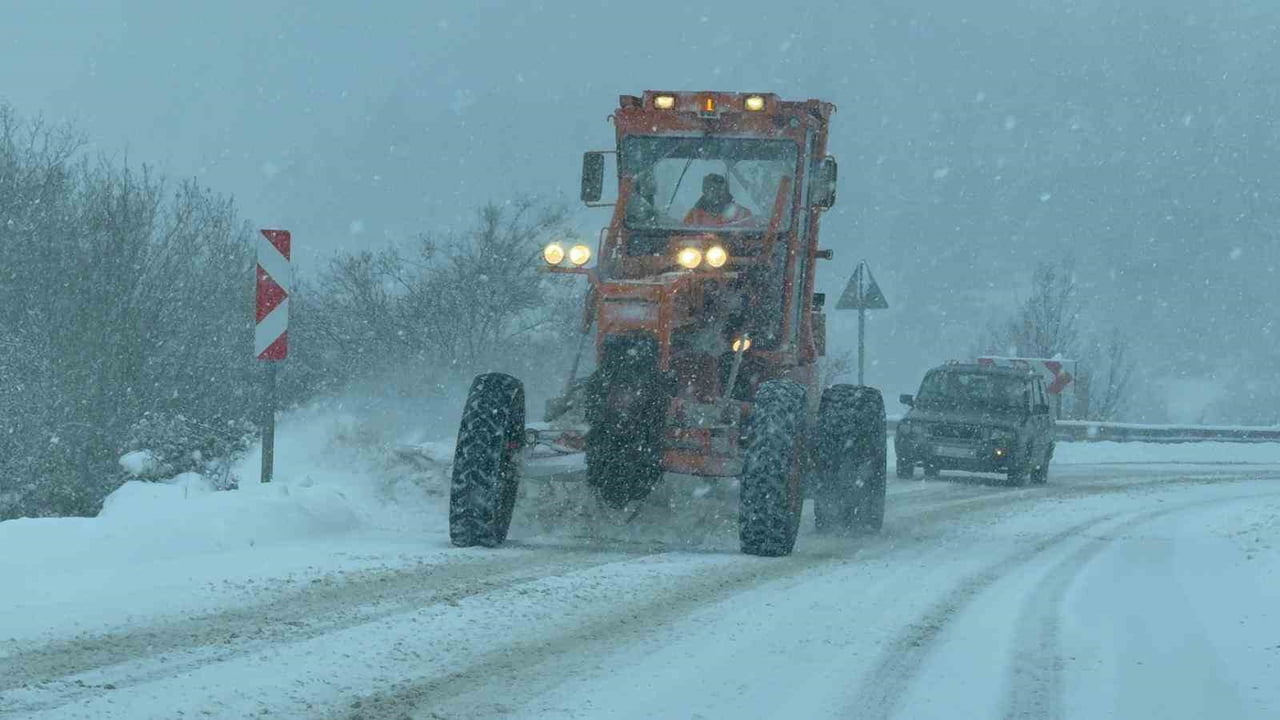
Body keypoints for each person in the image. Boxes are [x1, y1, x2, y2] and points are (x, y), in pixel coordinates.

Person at [683, 173, 753, 227]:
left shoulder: (741, 213)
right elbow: (682, 236)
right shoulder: (694, 215)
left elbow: (750, 236)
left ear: (726, 190)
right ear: (704, 190)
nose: (716, 193)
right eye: (712, 189)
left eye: (720, 189)